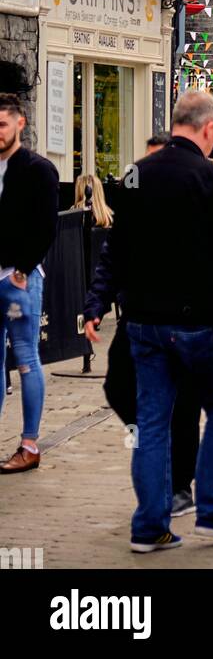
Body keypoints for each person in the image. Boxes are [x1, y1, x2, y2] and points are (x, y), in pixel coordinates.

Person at [102, 90, 213, 553]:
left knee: (152, 423)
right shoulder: (211, 177)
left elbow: (116, 248)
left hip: (144, 320)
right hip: (200, 321)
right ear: (207, 128)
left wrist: (101, 303)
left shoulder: (134, 175)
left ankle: (149, 526)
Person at [0, 93, 59, 473]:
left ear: (20, 124)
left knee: (25, 356)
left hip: (16, 280)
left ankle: (30, 444)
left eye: (2, 124)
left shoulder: (38, 168)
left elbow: (46, 225)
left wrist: (23, 268)